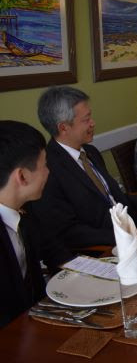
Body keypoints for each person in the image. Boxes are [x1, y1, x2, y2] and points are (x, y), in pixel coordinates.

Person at [30, 86, 137, 250]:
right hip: (105, 248)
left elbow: (114, 198)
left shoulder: (90, 152)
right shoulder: (48, 170)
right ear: (63, 127)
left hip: (135, 231)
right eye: (86, 120)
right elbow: (68, 232)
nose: (93, 123)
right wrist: (123, 236)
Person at [1, 121, 73, 327]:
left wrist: (101, 271)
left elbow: (54, 251)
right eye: (44, 165)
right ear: (22, 176)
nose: (49, 172)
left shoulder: (27, 207)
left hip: (40, 319)